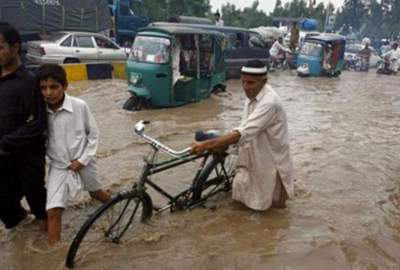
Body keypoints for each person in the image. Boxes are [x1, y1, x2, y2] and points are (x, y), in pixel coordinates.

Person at [191, 60, 294, 211]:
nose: (246, 87)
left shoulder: (270, 102)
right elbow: (245, 125)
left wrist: (206, 145)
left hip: (270, 156)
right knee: (246, 196)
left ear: (264, 81)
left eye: (251, 83)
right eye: (243, 82)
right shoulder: (253, 95)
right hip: (252, 147)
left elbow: (245, 132)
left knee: (269, 205)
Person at [37, 64, 110, 245]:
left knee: (96, 193)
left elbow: (93, 135)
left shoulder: (79, 106)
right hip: (59, 167)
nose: (48, 93)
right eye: (43, 88)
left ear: (65, 86)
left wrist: (82, 160)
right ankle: (55, 253)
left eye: (54, 87)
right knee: (53, 211)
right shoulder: (39, 111)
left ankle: (118, 207)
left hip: (84, 161)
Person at [0, 22, 47, 230]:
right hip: (2, 160)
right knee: (5, 206)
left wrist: (6, 142)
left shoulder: (30, 82)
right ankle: (22, 237)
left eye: (0, 47)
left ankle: (47, 250)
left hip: (27, 158)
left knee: (39, 204)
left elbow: (39, 123)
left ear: (15, 48)